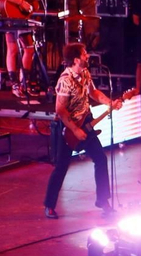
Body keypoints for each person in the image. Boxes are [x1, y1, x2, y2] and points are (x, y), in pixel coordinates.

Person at [44, 42, 124, 219]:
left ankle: (103, 201)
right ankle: (49, 205)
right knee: (61, 167)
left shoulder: (85, 73)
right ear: (75, 60)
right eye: (84, 54)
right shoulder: (65, 80)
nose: (87, 56)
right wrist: (74, 129)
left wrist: (109, 102)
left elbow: (93, 92)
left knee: (100, 159)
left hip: (86, 122)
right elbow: (60, 110)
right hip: (68, 128)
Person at [0, 0, 56, 98]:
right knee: (12, 49)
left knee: (29, 48)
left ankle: (24, 83)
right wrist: (21, 3)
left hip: (21, 17)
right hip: (10, 15)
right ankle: (15, 85)